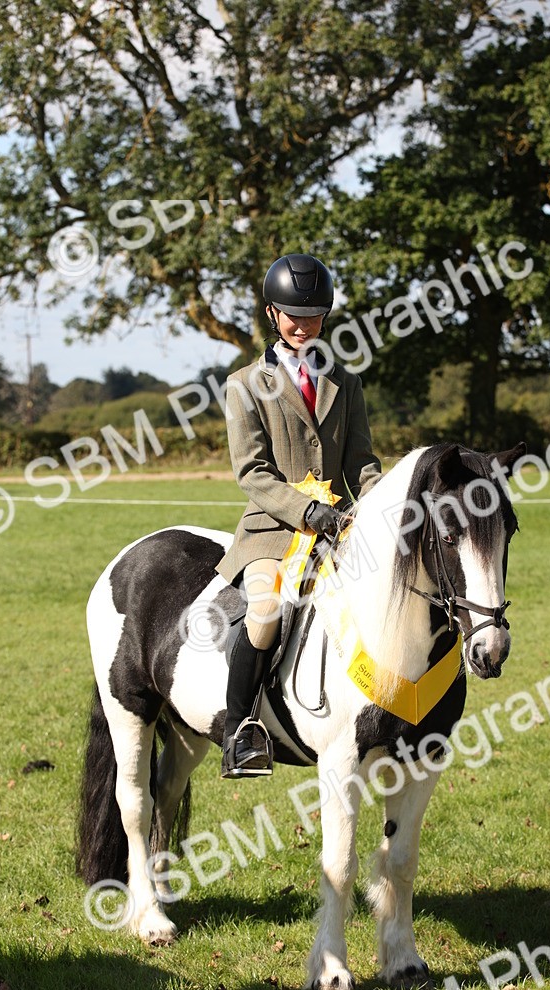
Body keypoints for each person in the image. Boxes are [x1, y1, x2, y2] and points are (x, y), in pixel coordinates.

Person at [216, 253, 382, 778]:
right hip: (274, 533)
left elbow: (362, 462)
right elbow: (253, 473)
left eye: (313, 315)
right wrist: (309, 512)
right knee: (267, 613)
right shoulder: (244, 385)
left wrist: (381, 507)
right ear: (272, 313)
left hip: (340, 532)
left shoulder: (345, 383)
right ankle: (239, 731)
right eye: (293, 315)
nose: (303, 325)